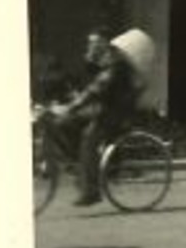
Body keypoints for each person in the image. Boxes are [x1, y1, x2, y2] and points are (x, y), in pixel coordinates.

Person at [45, 28, 148, 205]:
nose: (90, 45)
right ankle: (83, 167)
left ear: (105, 43)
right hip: (102, 110)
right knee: (62, 124)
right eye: (90, 42)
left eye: (94, 42)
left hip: (115, 115)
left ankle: (92, 191)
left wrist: (71, 106)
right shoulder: (104, 61)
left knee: (89, 138)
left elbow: (96, 89)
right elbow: (92, 85)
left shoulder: (116, 64)